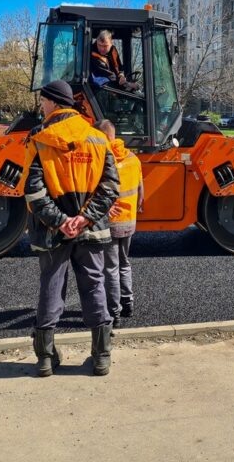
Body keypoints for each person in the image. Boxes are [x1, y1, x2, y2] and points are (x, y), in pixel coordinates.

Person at [23, 80, 120, 377]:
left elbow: (33, 191)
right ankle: (101, 356)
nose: (41, 105)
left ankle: (45, 359)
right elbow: (110, 188)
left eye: (43, 100)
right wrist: (84, 218)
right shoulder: (98, 139)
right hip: (91, 229)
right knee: (94, 287)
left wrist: (61, 221)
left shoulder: (39, 138)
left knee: (51, 288)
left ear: (52, 102)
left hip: (51, 231)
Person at [94, 119, 144, 327]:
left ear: (102, 136)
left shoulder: (103, 159)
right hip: (129, 220)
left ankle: (113, 313)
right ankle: (128, 303)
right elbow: (141, 191)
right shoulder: (133, 158)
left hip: (111, 222)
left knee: (110, 268)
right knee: (125, 263)